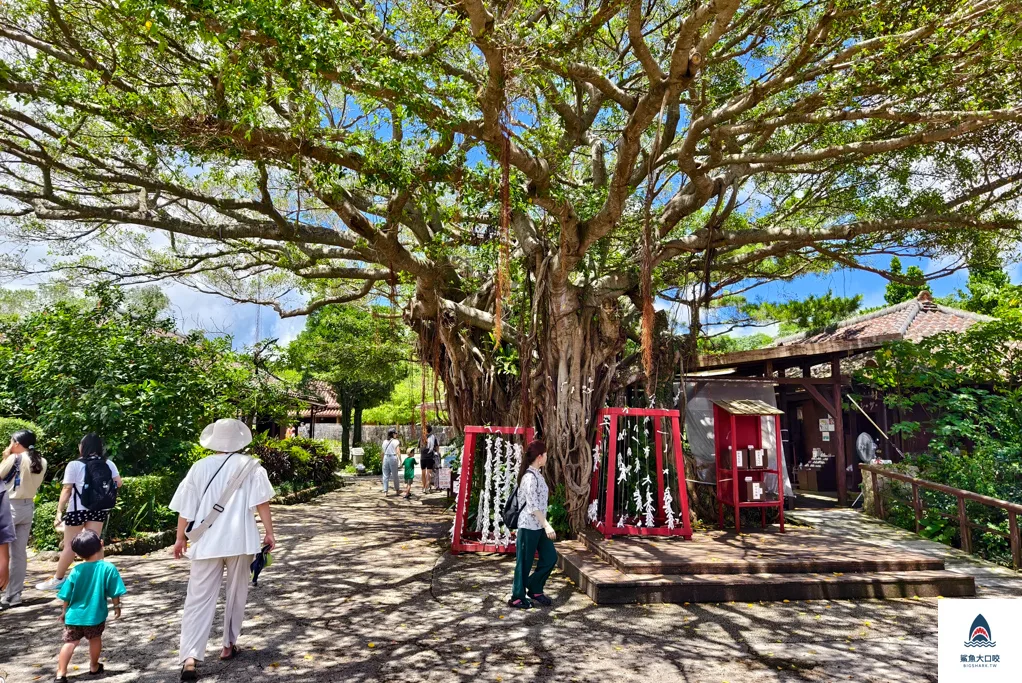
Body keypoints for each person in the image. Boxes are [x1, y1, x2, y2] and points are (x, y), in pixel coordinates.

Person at [170, 418, 276, 681]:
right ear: (239, 440)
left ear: (214, 440)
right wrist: (269, 532)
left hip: (206, 542)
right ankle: (228, 645)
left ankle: (190, 658)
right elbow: (261, 502)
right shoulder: (251, 466)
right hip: (240, 540)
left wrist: (180, 538)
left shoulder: (199, 467)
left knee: (197, 599)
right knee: (236, 592)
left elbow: (187, 506)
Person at [37, 434, 122, 592]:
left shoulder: (74, 464)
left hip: (77, 510)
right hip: (98, 509)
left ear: (83, 447)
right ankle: (98, 580)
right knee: (95, 544)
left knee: (70, 545)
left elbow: (67, 489)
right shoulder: (108, 463)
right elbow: (119, 482)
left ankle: (59, 579)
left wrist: (59, 511)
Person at [54, 529, 126, 682]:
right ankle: (94, 666)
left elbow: (67, 593)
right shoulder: (108, 568)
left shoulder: (76, 570)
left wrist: (64, 611)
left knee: (70, 643)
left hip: (74, 616)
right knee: (95, 639)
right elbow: (114, 592)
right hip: (94, 615)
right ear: (101, 544)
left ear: (78, 554)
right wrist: (117, 607)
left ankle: (61, 674)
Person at [509, 440, 558, 609]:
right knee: (524, 562)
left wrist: (544, 524)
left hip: (539, 525)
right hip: (529, 526)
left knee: (551, 557)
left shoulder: (538, 474)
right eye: (545, 454)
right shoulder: (529, 477)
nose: (547, 457)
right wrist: (547, 525)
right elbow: (532, 506)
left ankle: (535, 587)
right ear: (539, 457)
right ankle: (517, 596)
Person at [1, 429, 47, 606]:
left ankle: (5, 593)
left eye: (11, 441)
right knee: (19, 554)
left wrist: (6, 455)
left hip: (8, 507)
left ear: (17, 443)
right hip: (28, 507)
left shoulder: (14, 458)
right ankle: (14, 595)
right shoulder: (42, 461)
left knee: (3, 552)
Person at [381, 428, 401, 496]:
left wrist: (382, 460)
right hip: (393, 457)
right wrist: (400, 460)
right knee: (395, 475)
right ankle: (397, 490)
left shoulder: (384, 442)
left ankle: (385, 491)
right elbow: (398, 451)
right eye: (395, 433)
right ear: (392, 434)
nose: (396, 434)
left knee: (385, 475)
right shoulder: (396, 441)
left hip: (386, 457)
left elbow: (382, 452)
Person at [420, 424, 438, 493]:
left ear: (425, 430)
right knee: (429, 472)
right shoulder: (434, 437)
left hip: (423, 457)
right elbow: (436, 447)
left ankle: (424, 487)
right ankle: (427, 488)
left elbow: (419, 447)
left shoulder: (422, 437)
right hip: (430, 457)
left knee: (423, 473)